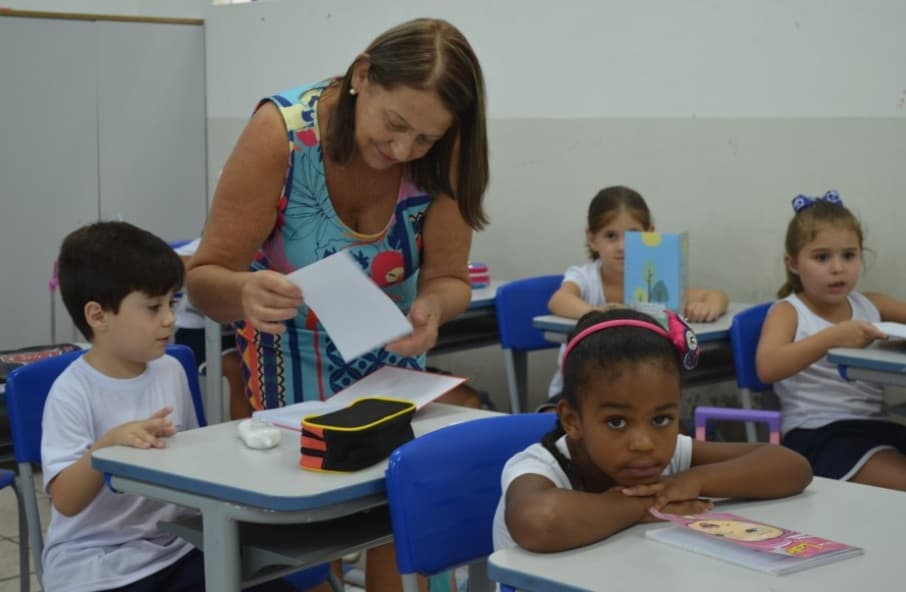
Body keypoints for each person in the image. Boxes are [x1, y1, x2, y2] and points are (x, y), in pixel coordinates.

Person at [185, 18, 488, 591]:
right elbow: (204, 278)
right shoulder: (282, 134)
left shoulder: (442, 152)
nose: (402, 149)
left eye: (423, 140)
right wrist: (244, 291)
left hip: (392, 377)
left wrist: (431, 308)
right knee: (302, 550)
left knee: (402, 537)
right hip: (286, 379)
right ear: (362, 76)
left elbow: (451, 278)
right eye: (395, 125)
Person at [43, 221, 297, 592]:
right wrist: (107, 446)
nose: (170, 319)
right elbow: (65, 501)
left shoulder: (171, 369)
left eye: (173, 302)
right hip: (98, 566)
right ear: (98, 316)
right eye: (152, 307)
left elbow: (190, 461)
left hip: (175, 547)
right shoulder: (72, 391)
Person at [493, 308, 812, 552]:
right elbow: (539, 521)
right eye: (617, 422)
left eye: (661, 419)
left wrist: (693, 480)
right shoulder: (540, 467)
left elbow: (791, 467)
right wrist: (646, 505)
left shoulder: (673, 459)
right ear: (572, 420)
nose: (645, 443)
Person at [756, 191, 906, 491]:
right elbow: (767, 367)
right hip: (817, 434)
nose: (838, 268)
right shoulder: (789, 311)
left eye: (849, 255)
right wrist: (832, 338)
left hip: (876, 426)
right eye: (821, 257)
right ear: (793, 263)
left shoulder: (870, 304)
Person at [543, 185, 729, 404]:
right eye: (611, 236)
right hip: (578, 390)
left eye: (633, 235)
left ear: (650, 234)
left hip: (638, 393)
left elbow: (716, 296)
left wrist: (709, 307)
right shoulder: (585, 278)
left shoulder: (656, 278)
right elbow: (558, 300)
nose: (622, 246)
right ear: (592, 238)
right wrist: (596, 313)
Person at [173, 238, 248, 419]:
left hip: (237, 331)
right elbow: (174, 262)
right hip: (198, 332)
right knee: (237, 370)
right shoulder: (217, 240)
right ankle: (246, 432)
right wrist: (214, 274)